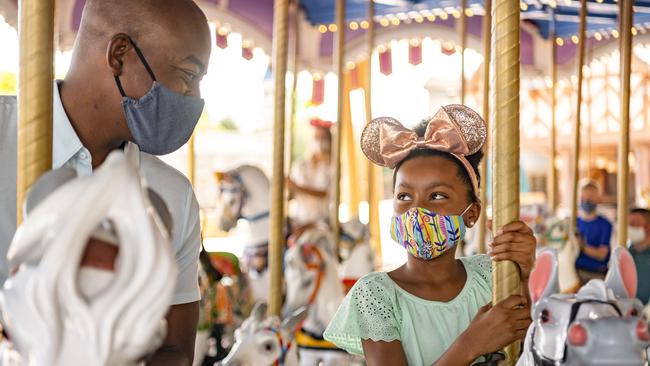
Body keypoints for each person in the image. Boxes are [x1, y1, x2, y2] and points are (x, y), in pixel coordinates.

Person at [0, 0, 211, 364]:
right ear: (120, 54)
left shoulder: (172, 195)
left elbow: (175, 349)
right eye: (188, 76)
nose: (193, 97)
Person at [323, 106, 536, 366]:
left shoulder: (489, 274)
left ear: (472, 213)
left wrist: (522, 274)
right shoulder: (376, 295)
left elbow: (530, 341)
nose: (417, 210)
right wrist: (471, 344)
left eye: (437, 196)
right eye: (404, 196)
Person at [286, 119, 332, 227]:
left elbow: (324, 193)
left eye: (323, 137)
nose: (319, 141)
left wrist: (296, 187)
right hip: (299, 218)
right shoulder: (300, 165)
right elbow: (291, 192)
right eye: (317, 137)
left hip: (320, 220)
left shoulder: (331, 167)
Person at [575, 181, 613, 284]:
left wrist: (582, 246)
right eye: (583, 197)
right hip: (575, 271)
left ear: (598, 199)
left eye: (591, 197)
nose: (586, 201)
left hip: (595, 274)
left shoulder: (605, 224)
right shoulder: (574, 222)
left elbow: (602, 254)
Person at [629, 208, 650, 304]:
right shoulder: (626, 253)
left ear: (648, 227)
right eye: (629, 224)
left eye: (634, 224)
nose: (630, 228)